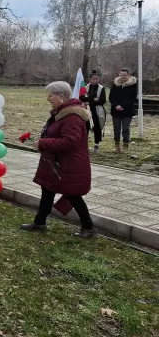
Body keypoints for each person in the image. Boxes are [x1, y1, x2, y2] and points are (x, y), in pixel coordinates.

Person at [20, 81, 95, 238]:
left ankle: (88, 227)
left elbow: (70, 142)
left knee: (73, 195)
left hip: (70, 164)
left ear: (61, 97)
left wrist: (42, 143)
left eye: (51, 95)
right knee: (47, 189)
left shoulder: (72, 117)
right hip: (58, 163)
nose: (48, 98)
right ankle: (39, 222)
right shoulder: (62, 113)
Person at [109, 68, 138, 152]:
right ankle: (117, 145)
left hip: (127, 110)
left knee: (125, 128)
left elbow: (133, 98)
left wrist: (122, 105)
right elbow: (111, 97)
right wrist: (116, 105)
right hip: (116, 110)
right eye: (121, 75)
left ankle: (126, 145)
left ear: (128, 75)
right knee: (116, 129)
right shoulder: (115, 84)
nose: (123, 77)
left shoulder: (133, 85)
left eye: (125, 75)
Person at [79, 70, 107, 153]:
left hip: (97, 110)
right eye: (93, 79)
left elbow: (102, 100)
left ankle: (96, 144)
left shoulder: (101, 88)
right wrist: (93, 99)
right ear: (90, 79)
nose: (95, 80)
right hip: (86, 109)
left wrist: (90, 100)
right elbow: (82, 98)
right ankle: (84, 144)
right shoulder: (86, 87)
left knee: (97, 127)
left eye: (96, 79)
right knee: (86, 127)